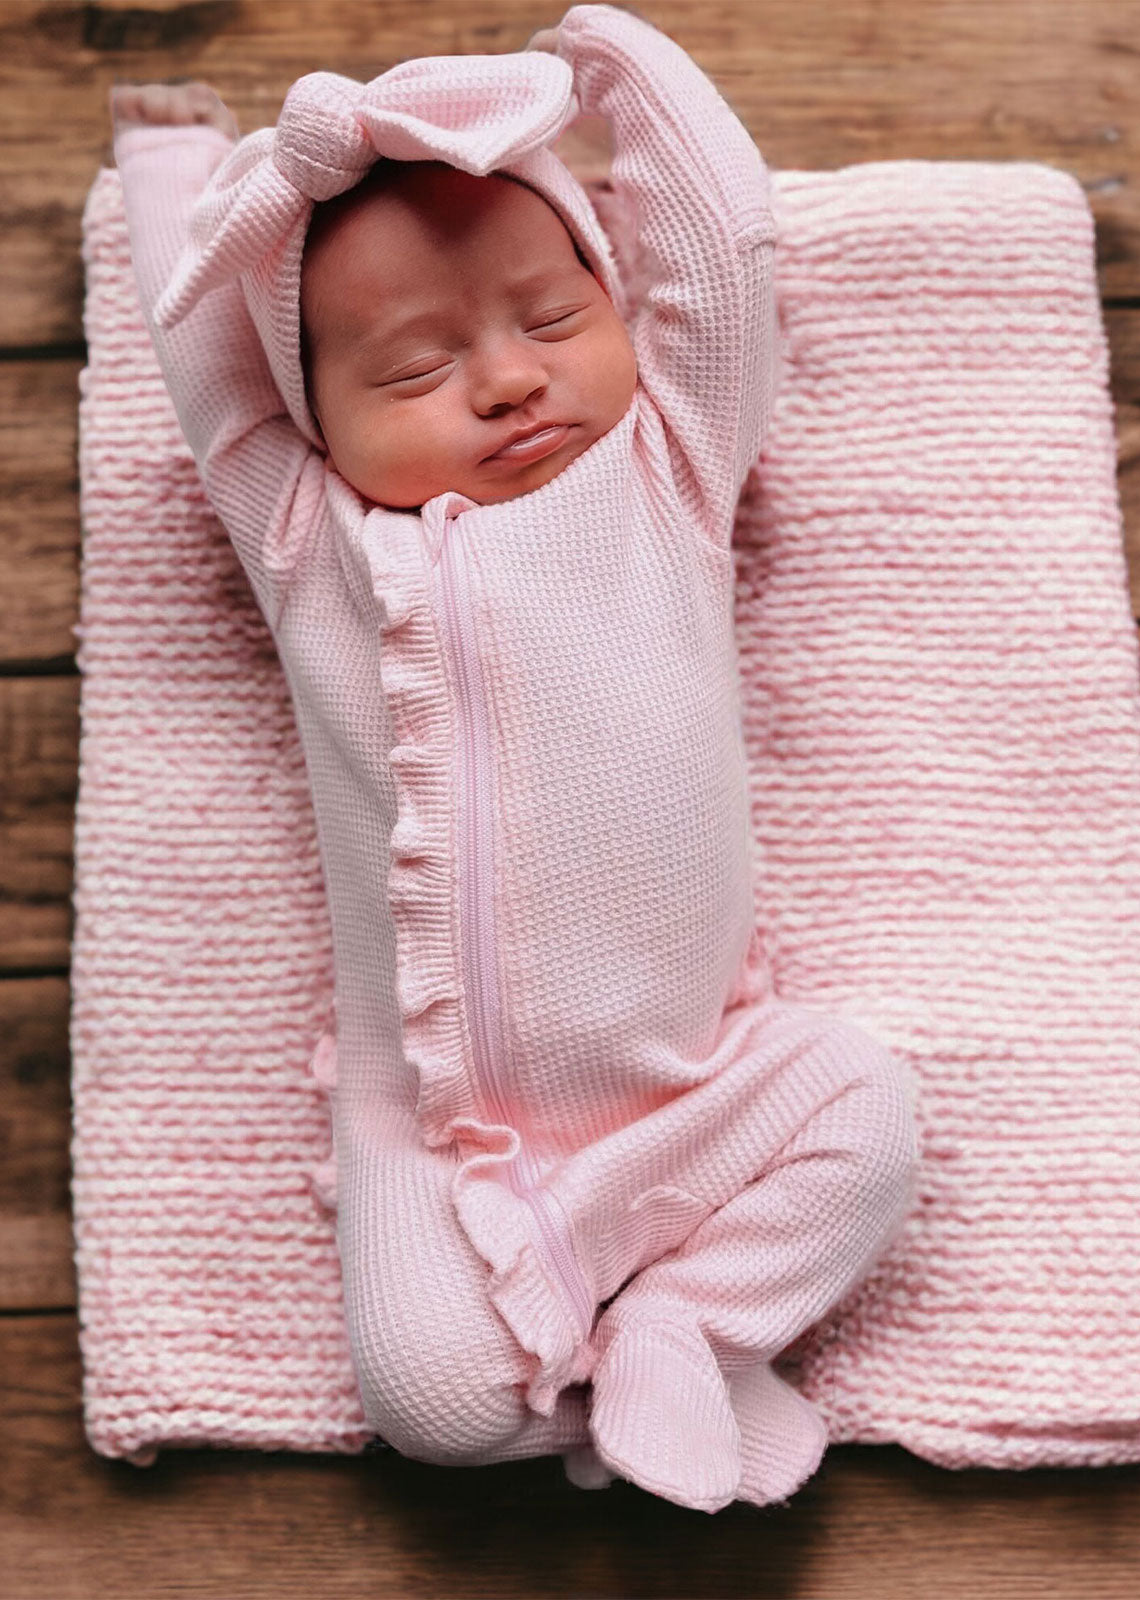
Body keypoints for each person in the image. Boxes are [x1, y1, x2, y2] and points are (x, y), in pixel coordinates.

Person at [109, 3, 919, 1513]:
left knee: (869, 1108)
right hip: (430, 1115)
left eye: (552, 322)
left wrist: (611, 55)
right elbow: (198, 351)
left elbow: (721, 249)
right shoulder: (309, 545)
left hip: (702, 1082)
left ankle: (687, 1317)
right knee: (435, 1413)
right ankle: (622, 1374)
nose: (504, 382)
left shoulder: (670, 468)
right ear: (318, 426)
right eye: (412, 371)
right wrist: (180, 162)